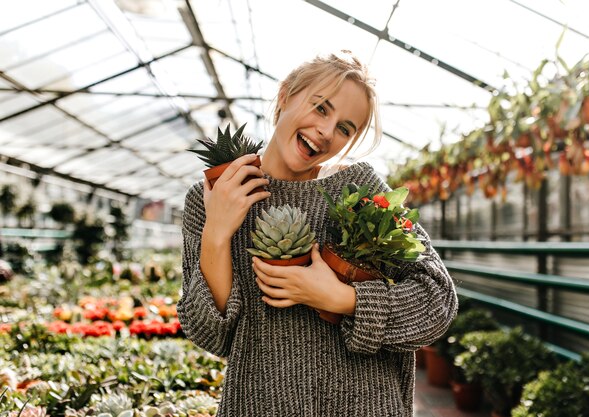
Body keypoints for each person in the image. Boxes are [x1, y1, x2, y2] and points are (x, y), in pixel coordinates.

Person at [176, 50, 458, 417]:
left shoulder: (360, 189)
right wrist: (217, 232)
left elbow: (437, 302)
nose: (326, 132)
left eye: (345, 128)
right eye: (321, 107)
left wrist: (341, 298)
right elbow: (209, 335)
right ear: (285, 96)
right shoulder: (214, 195)